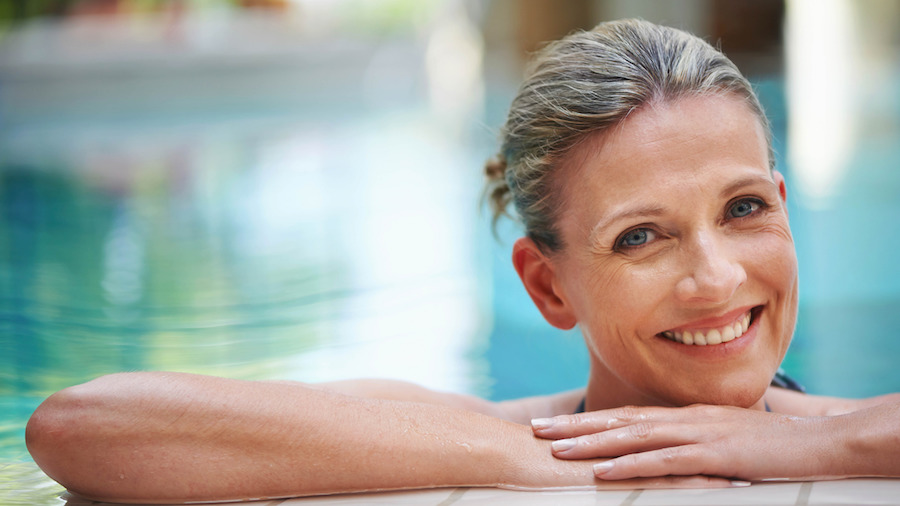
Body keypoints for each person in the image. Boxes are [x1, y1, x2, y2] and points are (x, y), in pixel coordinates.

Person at [25, 19, 900, 504]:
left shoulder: (850, 421)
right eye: (640, 235)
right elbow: (82, 427)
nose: (714, 277)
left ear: (784, 208)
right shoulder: (500, 429)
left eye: (743, 209)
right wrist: (551, 462)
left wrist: (814, 442)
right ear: (547, 284)